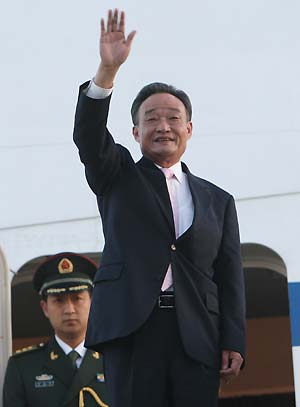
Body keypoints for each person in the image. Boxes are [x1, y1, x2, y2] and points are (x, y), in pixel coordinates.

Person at [73, 9, 246, 407]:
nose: (163, 126)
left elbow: (229, 276)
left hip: (198, 334)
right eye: (151, 119)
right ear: (135, 132)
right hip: (134, 329)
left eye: (174, 118)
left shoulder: (218, 200)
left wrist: (233, 340)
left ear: (189, 129)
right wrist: (106, 72)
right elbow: (88, 135)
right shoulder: (116, 175)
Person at [2, 252, 109, 407]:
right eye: (59, 300)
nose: (69, 310)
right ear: (45, 308)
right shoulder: (23, 367)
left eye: (77, 298)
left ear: (92, 302)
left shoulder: (114, 360)